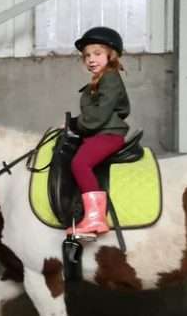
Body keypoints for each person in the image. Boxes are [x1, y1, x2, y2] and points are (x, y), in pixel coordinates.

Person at [67, 27, 130, 237]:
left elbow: (99, 115)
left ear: (110, 55)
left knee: (80, 163)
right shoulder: (99, 79)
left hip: (108, 134)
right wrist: (73, 123)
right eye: (87, 56)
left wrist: (76, 125)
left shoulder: (110, 78)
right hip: (100, 132)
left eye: (97, 54)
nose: (91, 59)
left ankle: (95, 219)